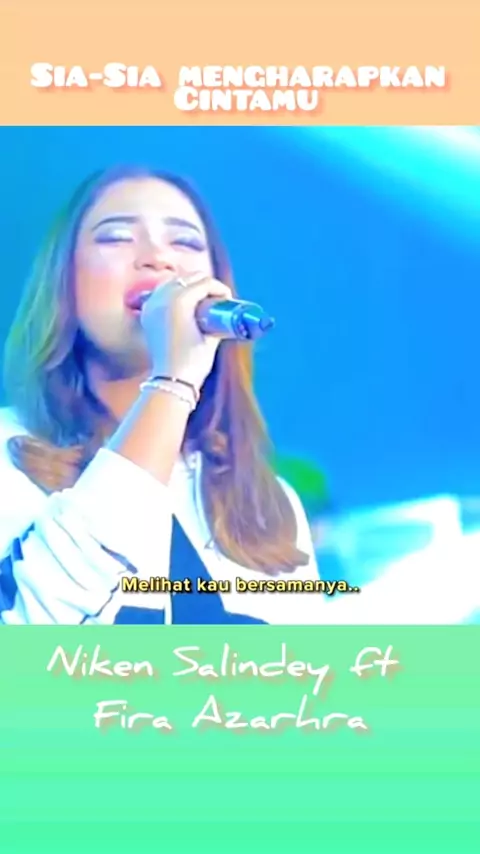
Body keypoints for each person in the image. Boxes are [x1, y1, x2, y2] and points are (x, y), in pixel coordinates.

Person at [0, 164, 478, 626]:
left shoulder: (271, 506)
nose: (158, 257)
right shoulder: (9, 455)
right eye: (117, 237)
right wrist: (172, 381)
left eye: (186, 242)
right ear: (63, 281)